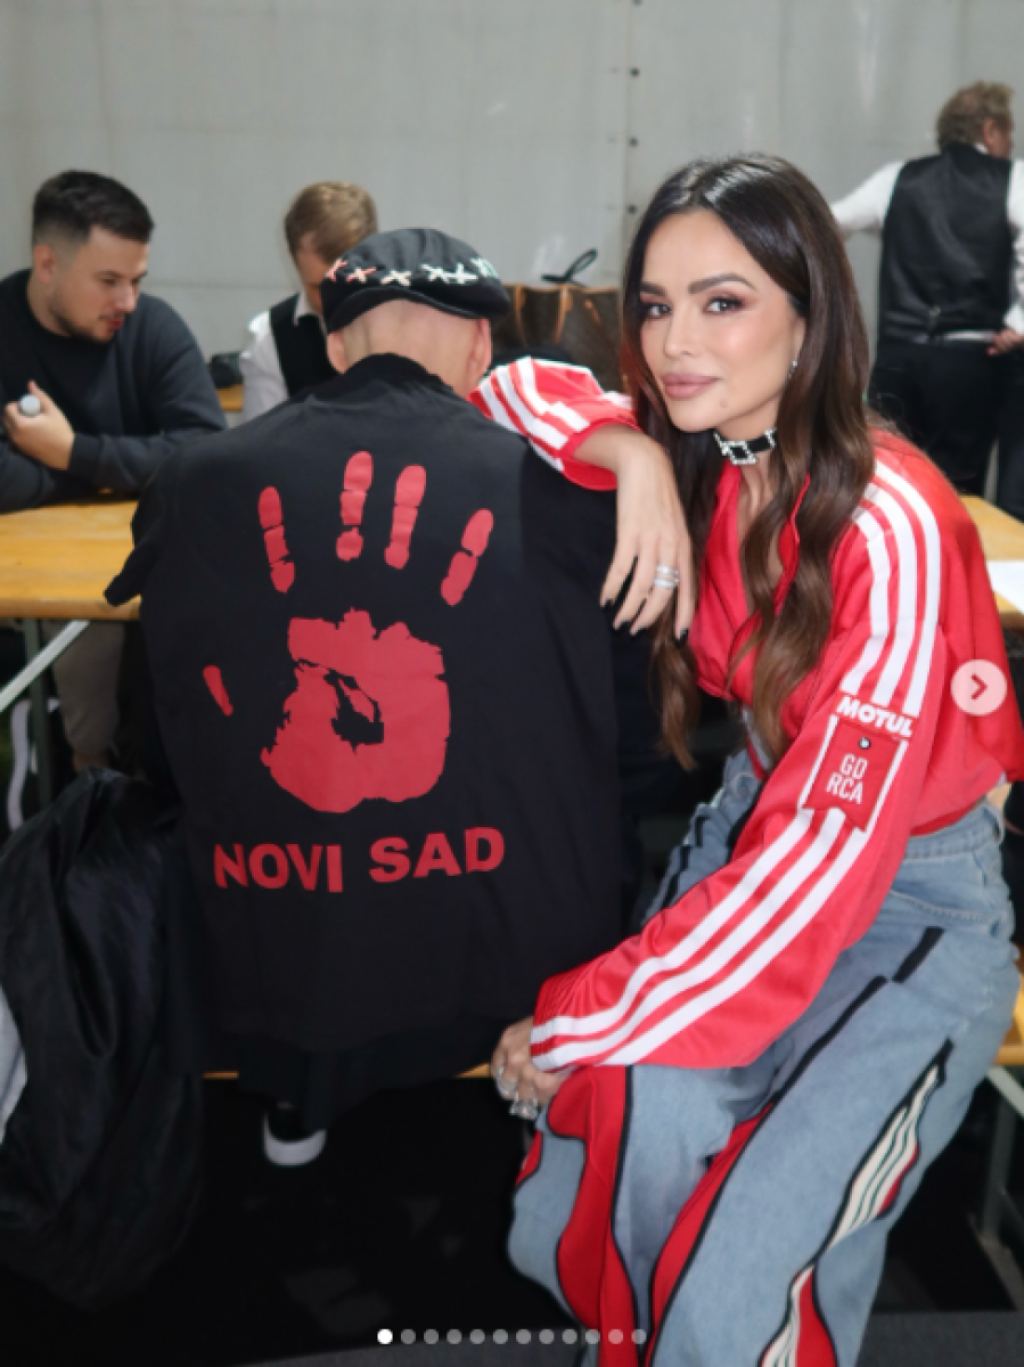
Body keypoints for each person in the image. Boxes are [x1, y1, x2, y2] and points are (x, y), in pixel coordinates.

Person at [488, 155, 1024, 1366]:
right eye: (655, 304)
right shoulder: (703, 444)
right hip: (755, 844)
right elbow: (508, 385)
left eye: (721, 302)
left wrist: (580, 1014)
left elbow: (822, 859)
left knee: (735, 1282)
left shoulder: (887, 521)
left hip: (907, 908)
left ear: (808, 315)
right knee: (635, 1130)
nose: (675, 342)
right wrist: (627, 455)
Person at [105, 227, 688, 1166]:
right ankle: (546, 1097)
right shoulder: (584, 498)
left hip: (285, 947)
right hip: (515, 954)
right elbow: (642, 749)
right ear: (483, 347)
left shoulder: (195, 483)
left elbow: (152, 740)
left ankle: (302, 1097)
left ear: (336, 347)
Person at [0, 170, 224, 772]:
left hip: (147, 572)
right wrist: (118, 468)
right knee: (87, 630)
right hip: (34, 578)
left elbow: (205, 450)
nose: (127, 300)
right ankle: (86, 775)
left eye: (136, 280)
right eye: (108, 281)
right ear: (47, 264)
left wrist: (71, 453)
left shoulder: (153, 327)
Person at [831, 81, 1024, 497]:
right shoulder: (1013, 179)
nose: (1011, 145)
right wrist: (1020, 321)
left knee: (886, 484)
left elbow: (830, 222)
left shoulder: (897, 178)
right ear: (990, 130)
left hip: (898, 358)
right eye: (1010, 133)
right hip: (968, 361)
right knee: (957, 490)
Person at [239, 181, 378, 421]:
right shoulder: (270, 340)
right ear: (295, 265)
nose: (333, 298)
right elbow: (260, 440)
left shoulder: (409, 323)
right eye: (318, 286)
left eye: (346, 282)